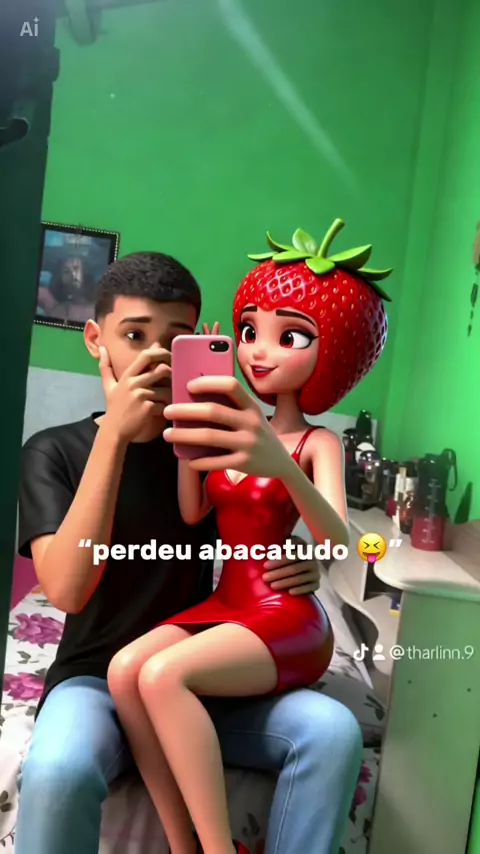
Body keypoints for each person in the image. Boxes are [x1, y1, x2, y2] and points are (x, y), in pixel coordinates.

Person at [15, 251, 363, 854]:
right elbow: (66, 590)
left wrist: (312, 558)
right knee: (57, 772)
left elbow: (272, 512)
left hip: (204, 674)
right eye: (134, 336)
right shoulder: (54, 451)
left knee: (332, 731)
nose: (154, 356)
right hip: (93, 679)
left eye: (175, 341)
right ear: (96, 340)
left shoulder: (213, 445)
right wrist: (115, 435)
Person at [106, 222, 392, 854]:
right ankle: (182, 843)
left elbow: (338, 544)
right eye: (248, 331)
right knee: (126, 671)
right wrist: (188, 438)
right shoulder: (231, 427)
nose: (260, 353)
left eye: (290, 337)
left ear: (331, 353)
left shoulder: (316, 441)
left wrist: (280, 464)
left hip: (285, 615)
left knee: (163, 677)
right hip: (229, 602)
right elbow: (192, 513)